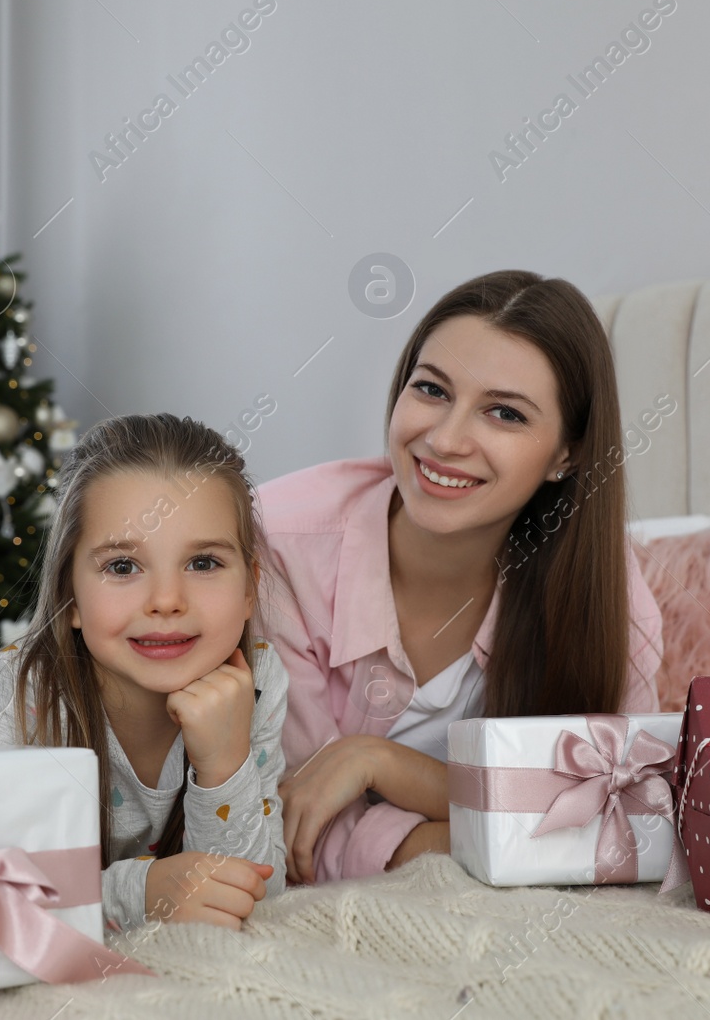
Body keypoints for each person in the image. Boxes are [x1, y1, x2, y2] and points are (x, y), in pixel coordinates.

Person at [263, 270, 664, 885]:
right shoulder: (279, 549)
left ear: (568, 454)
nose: (445, 440)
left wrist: (379, 762)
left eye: (504, 413)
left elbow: (629, 816)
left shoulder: (606, 595)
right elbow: (293, 828)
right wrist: (491, 832)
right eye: (431, 390)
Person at [0, 413, 287, 932]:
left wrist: (225, 765)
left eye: (202, 563)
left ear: (250, 589)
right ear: (72, 597)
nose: (166, 601)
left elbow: (254, 893)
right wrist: (142, 893)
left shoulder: (258, 679)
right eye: (122, 566)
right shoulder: (19, 691)